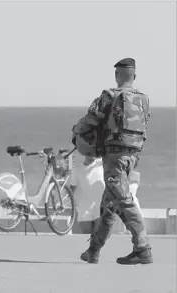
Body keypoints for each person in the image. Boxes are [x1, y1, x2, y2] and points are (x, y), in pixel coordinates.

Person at [71, 57, 152, 265]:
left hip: (114, 157)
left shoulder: (109, 96)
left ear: (117, 75)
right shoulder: (143, 99)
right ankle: (93, 250)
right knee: (109, 204)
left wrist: (76, 132)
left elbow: (90, 119)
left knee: (123, 199)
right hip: (133, 156)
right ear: (134, 76)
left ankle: (142, 247)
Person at [71, 156, 143, 234]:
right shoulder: (80, 168)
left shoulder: (133, 175)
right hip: (86, 207)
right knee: (87, 235)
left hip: (111, 208)